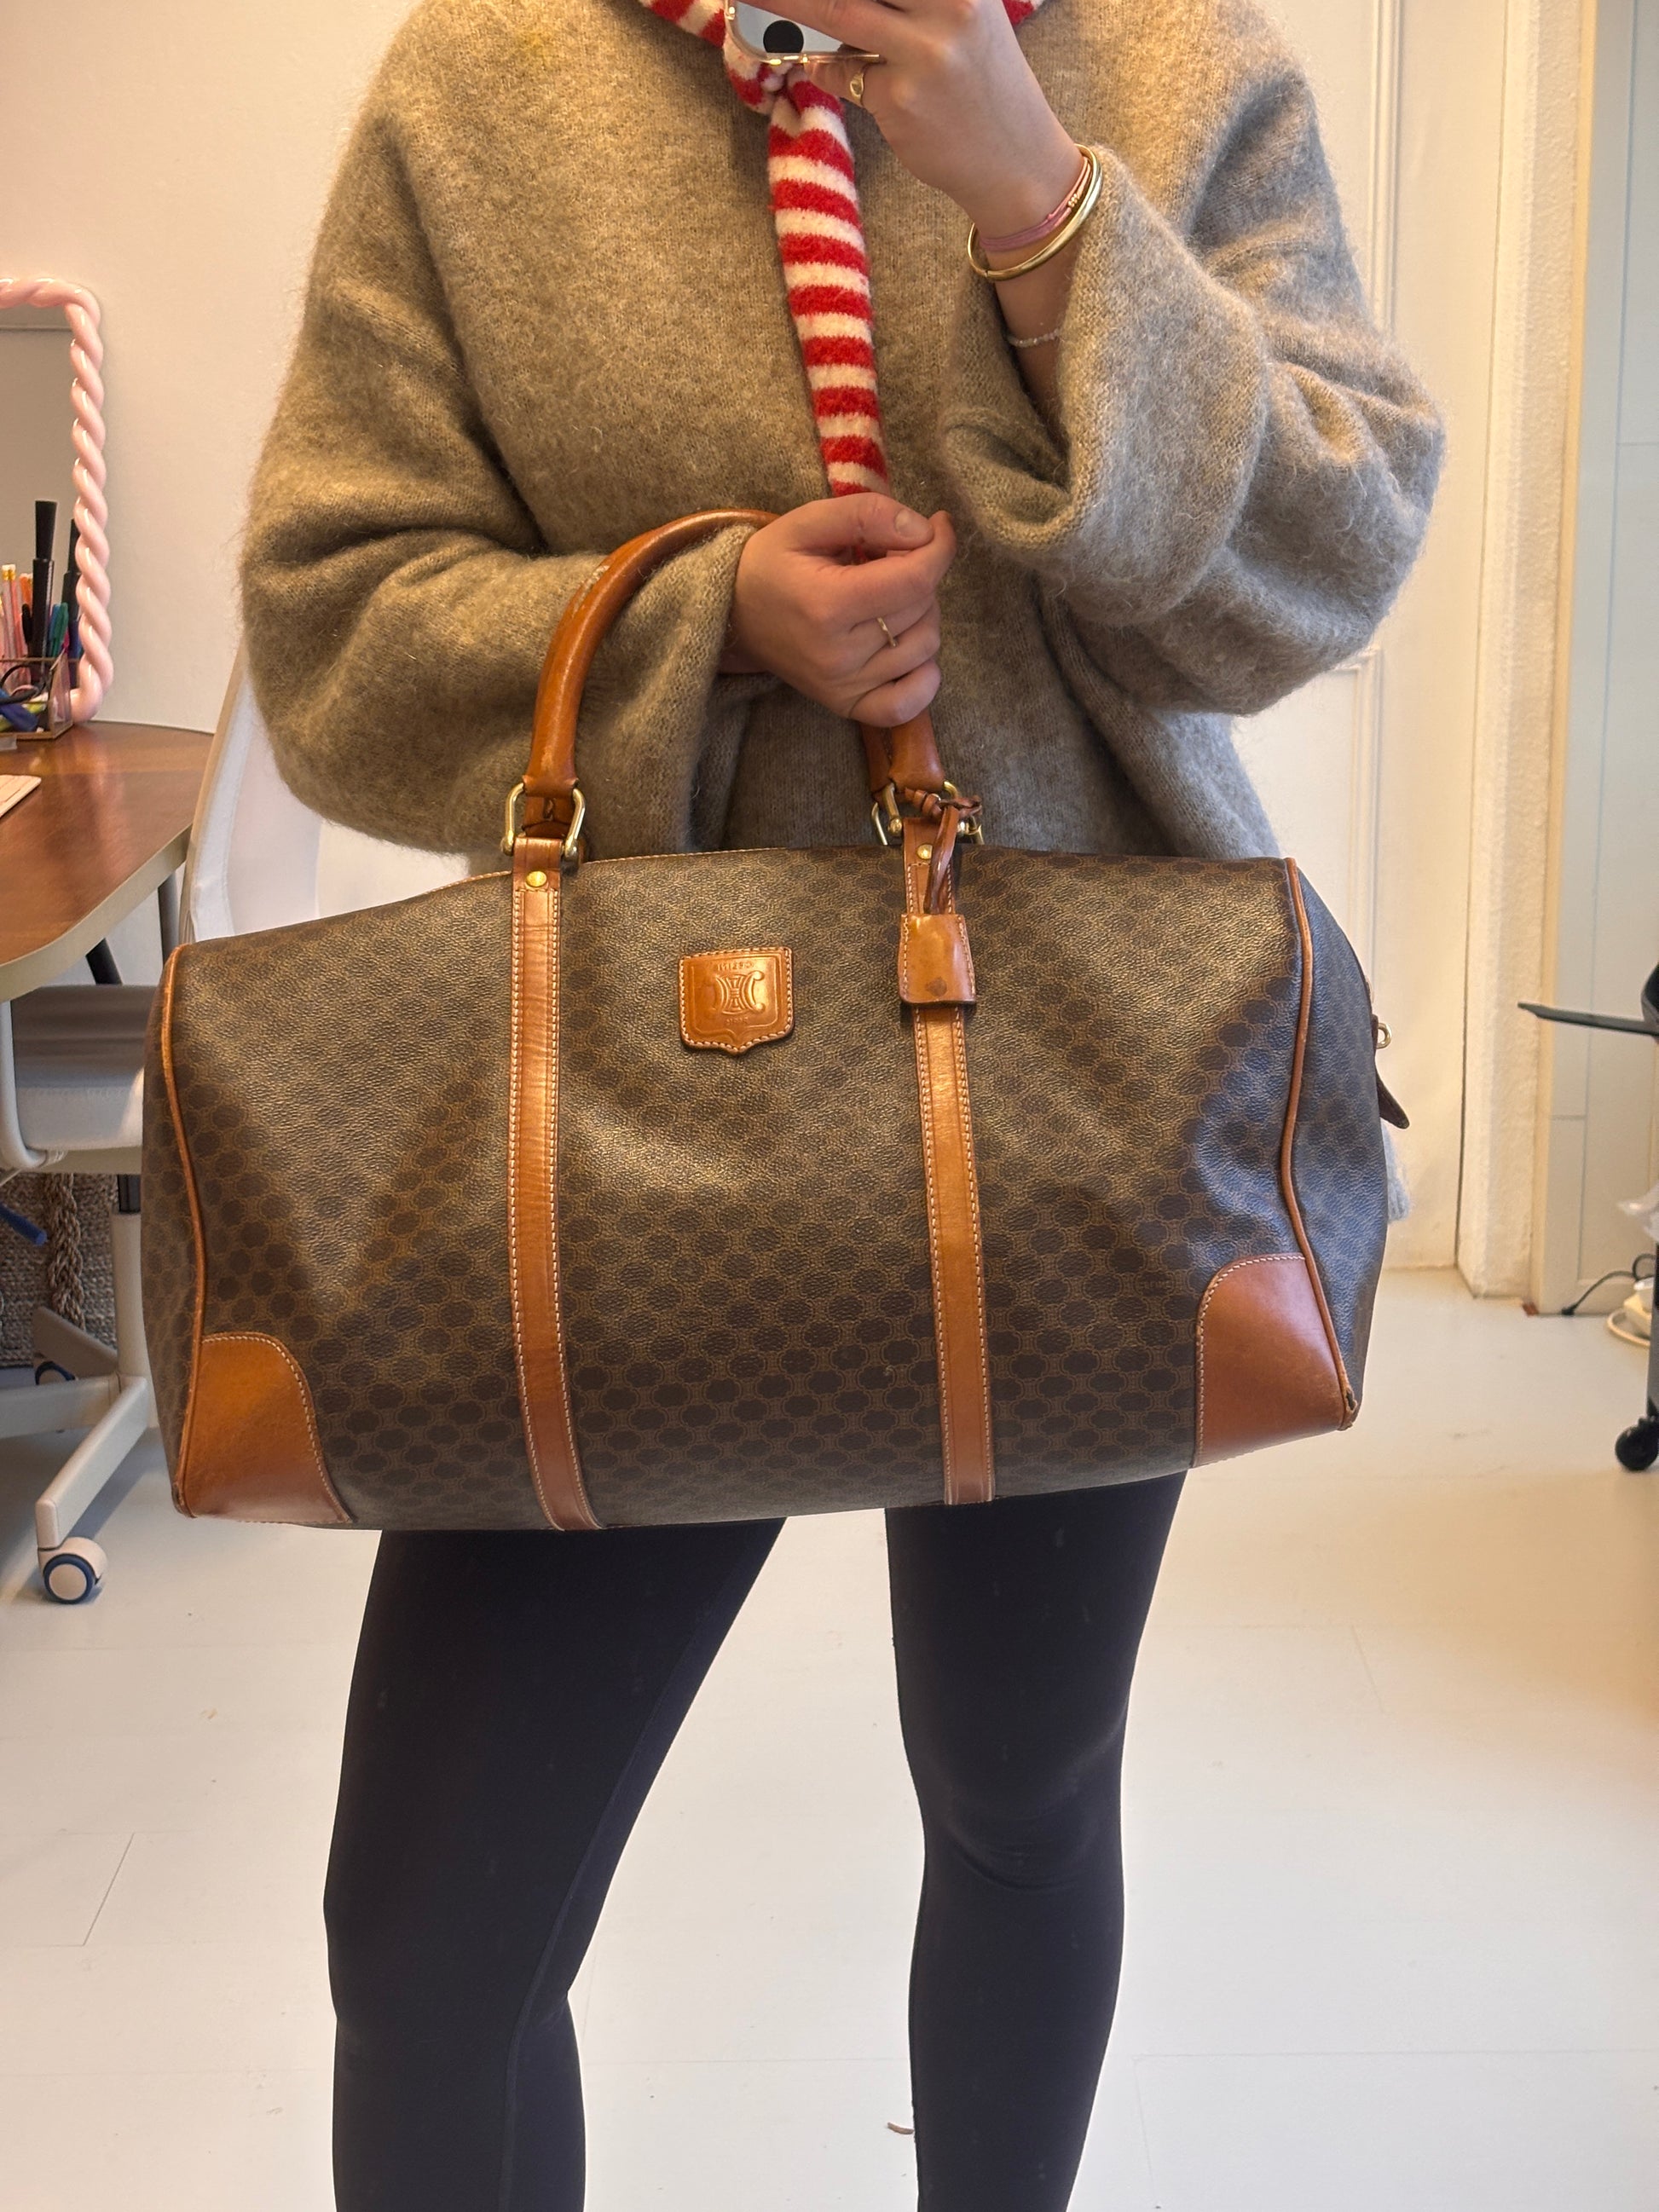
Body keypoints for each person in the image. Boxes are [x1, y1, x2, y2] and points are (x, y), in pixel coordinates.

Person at [241, 0, 1442, 2203]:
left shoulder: (1166, 57)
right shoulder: (490, 81)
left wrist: (1042, 205)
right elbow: (330, 627)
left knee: (1018, 1795)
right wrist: (700, 620)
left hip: (1079, 1099)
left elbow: (1335, 550)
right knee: (427, 1941)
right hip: (614, 1137)